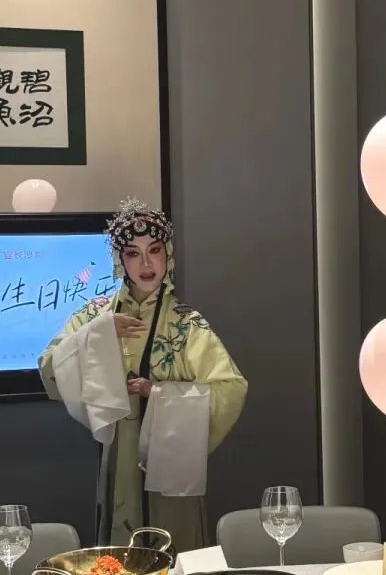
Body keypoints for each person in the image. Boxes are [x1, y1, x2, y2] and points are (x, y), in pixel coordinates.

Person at [39, 200, 247, 550]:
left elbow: (230, 389)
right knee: (122, 550)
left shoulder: (186, 324)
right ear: (120, 260)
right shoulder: (96, 315)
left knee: (174, 548)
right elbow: (49, 366)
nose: (146, 264)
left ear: (168, 255)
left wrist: (160, 394)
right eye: (133, 253)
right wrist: (99, 334)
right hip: (119, 455)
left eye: (154, 250)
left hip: (171, 460)